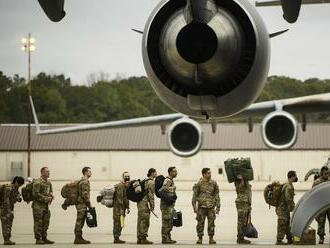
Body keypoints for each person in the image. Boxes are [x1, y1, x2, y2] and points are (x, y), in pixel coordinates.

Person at [192, 168, 220, 244]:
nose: (210, 174)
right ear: (204, 174)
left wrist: (218, 206)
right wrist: (194, 207)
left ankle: (211, 238)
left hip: (211, 207)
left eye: (210, 173)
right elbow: (194, 196)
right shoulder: (199, 183)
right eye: (208, 173)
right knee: (200, 223)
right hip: (201, 207)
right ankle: (200, 238)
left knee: (211, 223)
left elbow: (216, 194)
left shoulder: (214, 183)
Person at [32, 167, 55, 245]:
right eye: (46, 171)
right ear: (42, 172)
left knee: (46, 222)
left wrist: (51, 196)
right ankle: (38, 239)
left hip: (45, 206)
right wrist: (46, 198)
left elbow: (50, 191)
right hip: (38, 206)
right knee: (38, 222)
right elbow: (35, 194)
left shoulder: (48, 182)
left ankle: (44, 237)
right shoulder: (37, 182)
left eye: (49, 171)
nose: (48, 173)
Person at [0, 176, 25, 245]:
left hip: (10, 208)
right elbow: (6, 200)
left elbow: (15, 198)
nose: (19, 186)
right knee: (6, 224)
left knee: (9, 224)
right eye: (19, 184)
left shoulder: (15, 189)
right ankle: (6, 240)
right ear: (16, 182)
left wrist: (18, 199)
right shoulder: (9, 188)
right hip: (5, 209)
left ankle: (8, 239)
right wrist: (8, 211)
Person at [275, 170, 298, 245]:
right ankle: (279, 240)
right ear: (292, 176)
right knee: (282, 223)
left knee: (287, 223)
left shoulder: (288, 184)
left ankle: (289, 238)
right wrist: (293, 207)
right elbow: (288, 198)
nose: (296, 177)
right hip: (282, 208)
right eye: (295, 176)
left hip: (285, 208)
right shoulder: (288, 186)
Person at [137, 168, 157, 244]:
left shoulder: (144, 180)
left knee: (140, 220)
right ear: (152, 173)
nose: (156, 174)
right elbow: (151, 195)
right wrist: (152, 206)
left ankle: (139, 238)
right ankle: (143, 238)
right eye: (155, 172)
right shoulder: (151, 182)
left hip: (140, 203)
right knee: (145, 221)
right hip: (145, 203)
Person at [74, 166, 92, 244]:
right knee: (80, 221)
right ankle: (77, 238)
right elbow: (85, 194)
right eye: (89, 171)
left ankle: (79, 237)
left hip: (81, 203)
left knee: (81, 221)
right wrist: (89, 204)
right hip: (82, 204)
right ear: (85, 172)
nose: (91, 173)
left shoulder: (83, 181)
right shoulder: (84, 182)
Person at [312, 166, 330, 244]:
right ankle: (321, 237)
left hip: (329, 205)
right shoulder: (317, 182)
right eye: (325, 173)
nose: (327, 175)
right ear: (321, 173)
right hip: (321, 205)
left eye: (328, 173)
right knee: (321, 222)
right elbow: (313, 194)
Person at [161, 166, 177, 244]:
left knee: (170, 221)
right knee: (166, 221)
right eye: (174, 171)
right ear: (170, 172)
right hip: (166, 205)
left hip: (170, 205)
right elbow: (163, 189)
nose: (176, 173)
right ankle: (164, 238)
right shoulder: (167, 180)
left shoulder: (171, 180)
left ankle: (168, 237)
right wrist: (173, 189)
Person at [113, 172, 130, 244]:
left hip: (123, 208)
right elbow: (120, 198)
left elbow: (126, 198)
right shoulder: (120, 186)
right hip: (119, 208)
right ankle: (116, 238)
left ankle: (118, 237)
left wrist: (128, 207)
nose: (127, 177)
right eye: (126, 176)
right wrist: (121, 209)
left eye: (128, 176)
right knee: (117, 223)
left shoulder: (126, 186)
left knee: (121, 223)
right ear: (123, 177)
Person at [234, 174, 252, 244]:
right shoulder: (240, 182)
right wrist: (242, 178)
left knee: (242, 221)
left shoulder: (239, 182)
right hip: (242, 202)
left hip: (244, 202)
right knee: (241, 221)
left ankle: (241, 237)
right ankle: (240, 238)